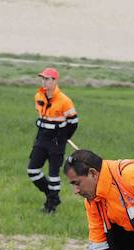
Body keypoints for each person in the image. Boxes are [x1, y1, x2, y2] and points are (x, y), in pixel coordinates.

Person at [27, 67, 78, 213]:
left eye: (47, 79)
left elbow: (73, 123)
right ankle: (52, 196)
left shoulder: (65, 101)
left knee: (54, 175)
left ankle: (51, 206)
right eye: (42, 78)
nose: (44, 81)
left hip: (57, 141)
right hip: (42, 138)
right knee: (33, 170)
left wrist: (63, 137)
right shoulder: (38, 96)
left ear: (55, 81)